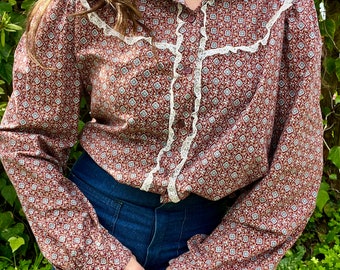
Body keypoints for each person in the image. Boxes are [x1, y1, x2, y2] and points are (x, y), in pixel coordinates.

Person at [0, 0, 323, 269]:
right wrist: (96, 256)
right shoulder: (80, 5)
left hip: (212, 234)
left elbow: (295, 165)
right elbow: (27, 138)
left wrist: (216, 260)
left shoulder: (284, 9)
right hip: (98, 222)